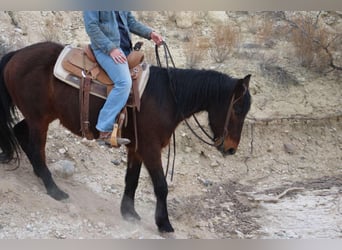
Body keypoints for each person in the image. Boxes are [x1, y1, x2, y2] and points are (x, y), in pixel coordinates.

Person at [83, 11, 163, 146]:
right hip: (105, 49)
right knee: (124, 82)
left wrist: (150, 33)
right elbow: (91, 27)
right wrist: (111, 49)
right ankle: (104, 130)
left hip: (125, 49)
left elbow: (131, 22)